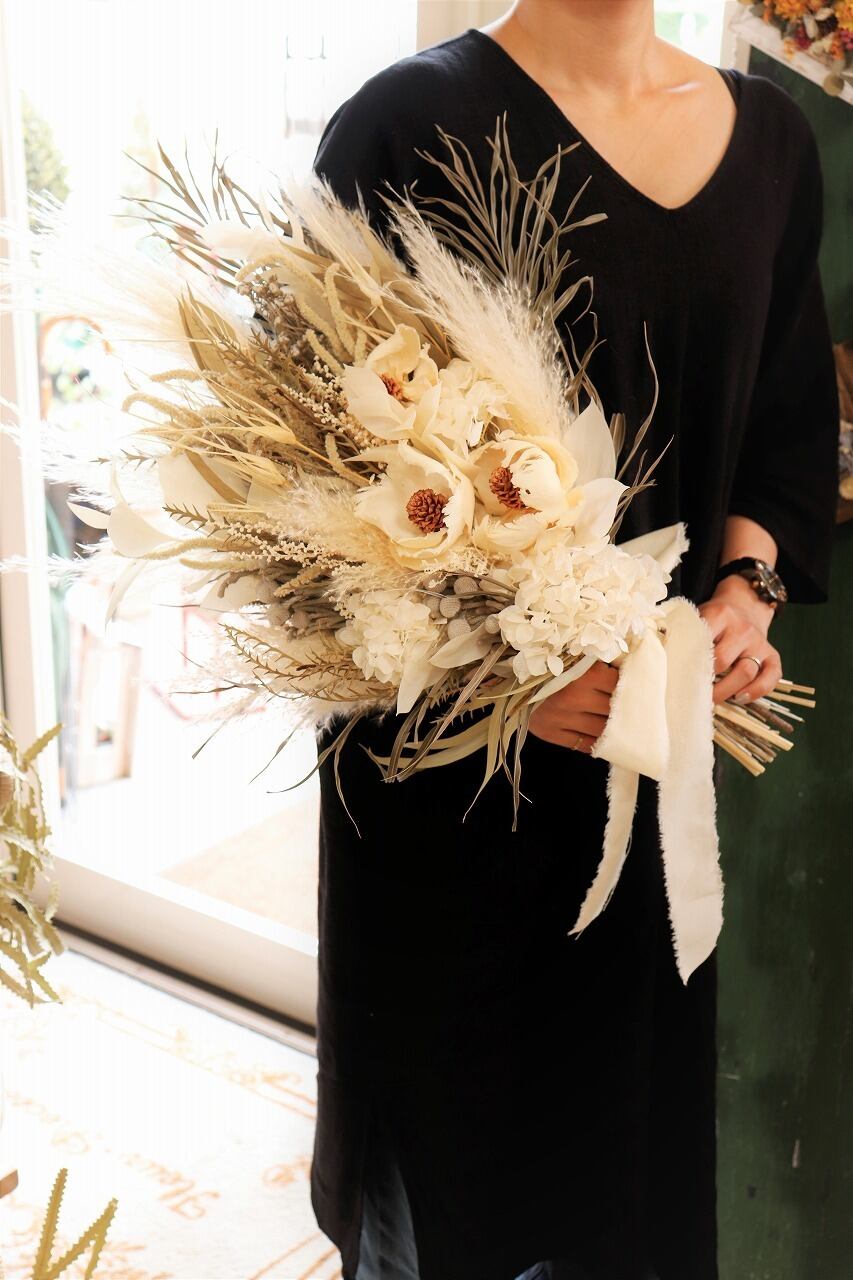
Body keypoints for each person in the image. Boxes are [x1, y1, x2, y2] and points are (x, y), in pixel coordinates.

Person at [308, 3, 840, 1278]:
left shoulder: (771, 142)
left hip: (644, 773)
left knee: (619, 1177)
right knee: (459, 1191)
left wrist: (746, 591)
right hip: (452, 786)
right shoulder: (404, 124)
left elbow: (782, 415)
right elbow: (311, 490)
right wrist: (493, 681)